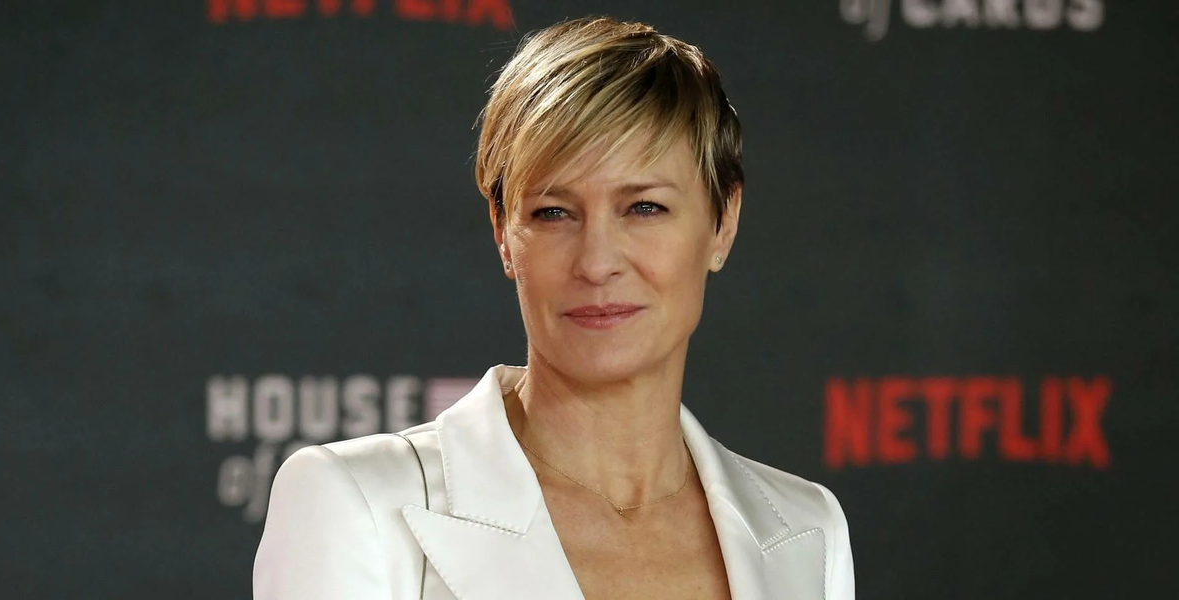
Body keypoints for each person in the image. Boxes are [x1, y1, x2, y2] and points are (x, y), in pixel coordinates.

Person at [253, 16, 854, 600]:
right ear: (503, 232)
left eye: (644, 208)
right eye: (554, 212)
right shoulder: (357, 504)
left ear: (723, 222)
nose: (596, 262)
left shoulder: (808, 531)